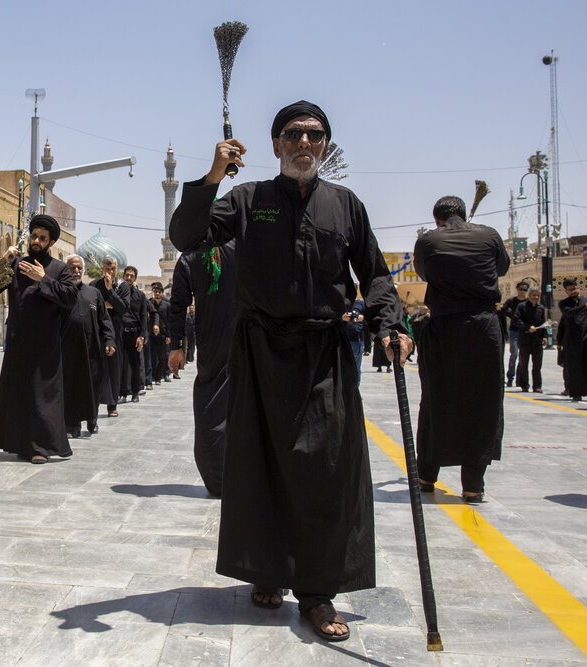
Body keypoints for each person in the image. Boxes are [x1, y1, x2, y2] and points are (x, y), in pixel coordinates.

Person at [170, 100, 410, 643]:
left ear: (324, 145)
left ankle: (319, 592)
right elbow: (188, 236)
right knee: (259, 466)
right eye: (294, 135)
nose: (305, 143)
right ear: (276, 144)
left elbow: (374, 275)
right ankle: (266, 572)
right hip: (257, 353)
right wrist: (212, 175)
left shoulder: (346, 206)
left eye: (315, 135)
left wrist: (392, 325)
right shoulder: (248, 199)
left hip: (323, 354)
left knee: (325, 471)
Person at [412, 195, 509, 504]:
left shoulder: (428, 240)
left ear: (437, 218)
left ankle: (427, 476)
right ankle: (473, 486)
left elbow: (426, 274)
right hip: (483, 326)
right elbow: (502, 268)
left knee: (437, 399)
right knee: (484, 402)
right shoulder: (489, 234)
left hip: (444, 327)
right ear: (464, 215)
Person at [0, 214, 77, 464]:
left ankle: (41, 447)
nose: (36, 241)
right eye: (34, 236)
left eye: (42, 238)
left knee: (42, 396)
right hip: (18, 342)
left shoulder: (59, 270)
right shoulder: (17, 265)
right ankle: (18, 443)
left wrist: (43, 280)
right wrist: (4, 260)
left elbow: (70, 298)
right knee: (18, 394)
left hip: (45, 346)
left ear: (51, 243)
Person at [167, 241, 237, 497]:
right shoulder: (243, 245)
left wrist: (176, 346)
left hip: (212, 342)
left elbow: (177, 304)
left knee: (211, 407)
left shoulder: (189, 257)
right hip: (247, 338)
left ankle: (218, 478)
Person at [61, 254, 115, 437]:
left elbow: (105, 320)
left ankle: (92, 420)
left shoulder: (93, 293)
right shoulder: (60, 292)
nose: (76, 271)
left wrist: (109, 340)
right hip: (67, 351)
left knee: (92, 386)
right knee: (71, 387)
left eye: (78, 268)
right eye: (71, 268)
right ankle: (72, 425)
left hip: (92, 350)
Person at [91, 255, 129, 415]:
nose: (110, 272)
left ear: (117, 268)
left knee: (114, 367)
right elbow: (92, 307)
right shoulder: (94, 285)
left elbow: (124, 308)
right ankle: (93, 405)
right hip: (98, 331)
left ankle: (112, 405)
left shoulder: (123, 286)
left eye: (113, 269)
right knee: (96, 368)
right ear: (102, 269)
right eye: (107, 269)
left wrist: (109, 292)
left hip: (116, 333)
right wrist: (107, 305)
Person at [556, 278, 587, 401]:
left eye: (575, 288)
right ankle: (576, 393)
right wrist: (586, 306)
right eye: (570, 289)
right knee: (574, 367)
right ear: (566, 291)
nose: (573, 291)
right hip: (572, 341)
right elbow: (569, 313)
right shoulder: (564, 303)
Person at [119, 265, 148, 406]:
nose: (129, 278)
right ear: (123, 276)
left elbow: (143, 317)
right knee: (122, 365)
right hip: (121, 333)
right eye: (127, 275)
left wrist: (142, 336)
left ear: (135, 278)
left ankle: (135, 392)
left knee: (135, 365)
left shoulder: (140, 296)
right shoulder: (118, 292)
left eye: (132, 275)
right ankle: (123, 393)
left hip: (135, 334)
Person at [512, 287, 547, 393]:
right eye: (534, 295)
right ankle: (524, 385)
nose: (536, 297)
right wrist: (527, 327)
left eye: (537, 296)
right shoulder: (521, 306)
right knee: (523, 364)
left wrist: (544, 336)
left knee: (537, 365)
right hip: (525, 340)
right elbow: (515, 320)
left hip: (537, 341)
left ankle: (537, 386)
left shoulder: (541, 308)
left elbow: (543, 323)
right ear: (529, 295)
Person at [499, 282, 530, 387]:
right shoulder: (512, 301)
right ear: (517, 289)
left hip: (525, 332)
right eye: (521, 289)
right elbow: (502, 310)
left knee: (523, 356)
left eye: (525, 290)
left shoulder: (528, 302)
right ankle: (510, 378)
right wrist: (511, 315)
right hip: (514, 331)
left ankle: (520, 379)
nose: (522, 291)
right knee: (514, 354)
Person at [149, 282, 171, 383]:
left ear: (162, 293)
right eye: (155, 292)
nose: (157, 294)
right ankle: (154, 376)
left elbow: (170, 321)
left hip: (163, 335)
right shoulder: (150, 304)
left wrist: (168, 335)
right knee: (153, 357)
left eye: (159, 292)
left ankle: (160, 376)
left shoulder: (167, 305)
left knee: (163, 357)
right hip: (152, 334)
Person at [342, 299, 367, 383]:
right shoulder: (341, 302)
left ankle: (355, 392)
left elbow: (368, 317)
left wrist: (360, 317)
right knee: (342, 368)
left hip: (357, 341)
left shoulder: (360, 303)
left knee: (356, 369)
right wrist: (343, 317)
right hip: (343, 341)